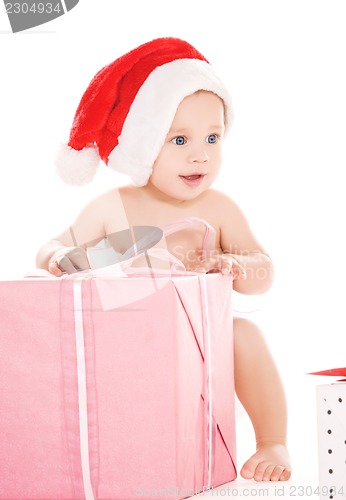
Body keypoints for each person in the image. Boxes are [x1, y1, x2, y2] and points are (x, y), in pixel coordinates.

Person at [36, 37, 291, 482]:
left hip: (198, 341)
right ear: (139, 145)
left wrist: (236, 265)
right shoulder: (112, 207)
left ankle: (272, 440)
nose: (201, 154)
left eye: (213, 137)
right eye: (179, 139)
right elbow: (48, 250)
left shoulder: (217, 208)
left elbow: (263, 272)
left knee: (244, 333)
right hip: (126, 341)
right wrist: (59, 257)